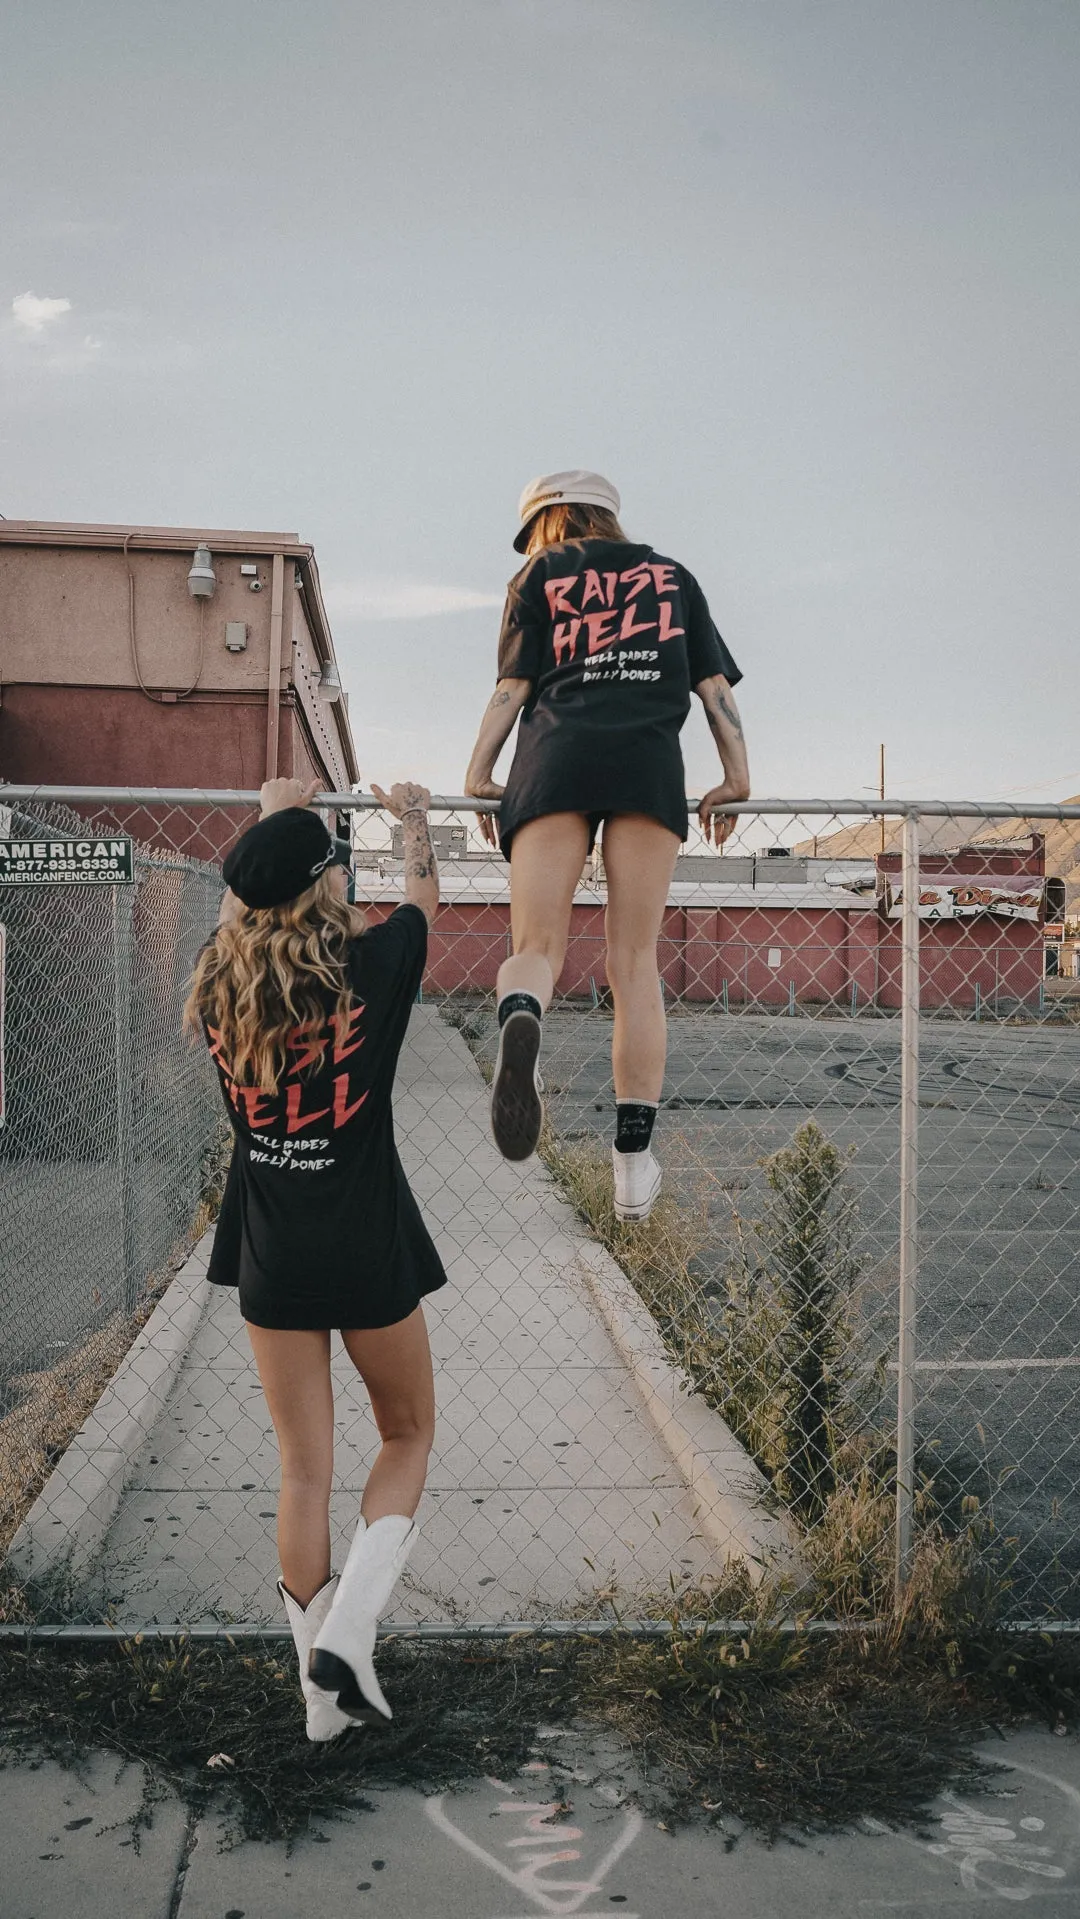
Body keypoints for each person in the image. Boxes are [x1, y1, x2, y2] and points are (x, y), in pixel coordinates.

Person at [184, 774, 443, 1742]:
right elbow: (423, 903)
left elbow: (240, 906)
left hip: (271, 1248)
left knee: (303, 1469)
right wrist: (411, 819)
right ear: (329, 884)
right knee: (408, 1433)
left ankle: (317, 1697)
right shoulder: (373, 966)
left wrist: (267, 818)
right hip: (367, 1235)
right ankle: (353, 1628)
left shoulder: (216, 979)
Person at [464, 469, 750, 1222]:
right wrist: (737, 774)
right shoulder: (673, 578)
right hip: (645, 764)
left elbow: (512, 688)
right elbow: (714, 688)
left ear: (551, 521)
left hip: (555, 759)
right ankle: (631, 1166)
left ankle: (523, 1009)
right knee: (633, 963)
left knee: (538, 943)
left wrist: (479, 768)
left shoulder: (538, 577)